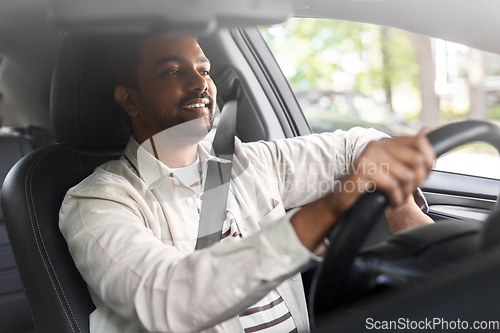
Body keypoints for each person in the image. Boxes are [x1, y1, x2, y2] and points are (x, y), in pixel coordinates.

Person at [59, 33, 435, 333]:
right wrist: (332, 206)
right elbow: (169, 300)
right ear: (129, 99)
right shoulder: (98, 202)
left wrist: (400, 209)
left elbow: (358, 145)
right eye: (172, 72)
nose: (199, 83)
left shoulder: (246, 162)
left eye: (204, 70)